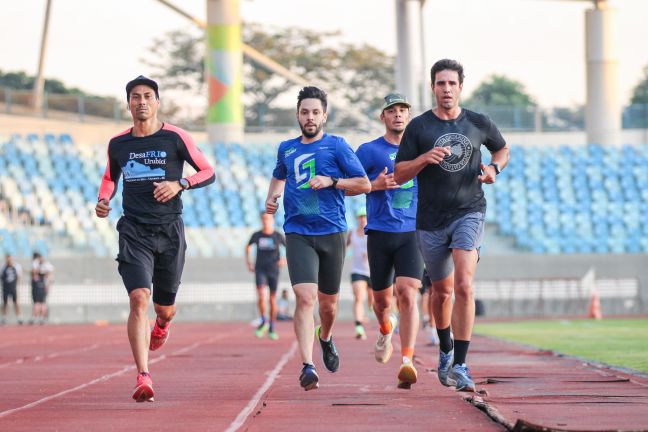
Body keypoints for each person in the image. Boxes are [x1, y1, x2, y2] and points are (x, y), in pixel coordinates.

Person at [95, 75, 215, 402]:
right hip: (134, 230)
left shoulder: (176, 137)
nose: (142, 102)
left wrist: (181, 185)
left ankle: (162, 324)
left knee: (165, 309)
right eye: (136, 96)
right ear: (129, 103)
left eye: (148, 96)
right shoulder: (118, 144)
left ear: (157, 101)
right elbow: (109, 177)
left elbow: (208, 171)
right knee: (138, 299)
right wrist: (104, 199)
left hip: (169, 231)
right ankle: (143, 374)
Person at [394, 59, 510, 392]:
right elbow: (399, 174)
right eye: (440, 83)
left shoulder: (478, 122)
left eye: (452, 83)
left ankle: (461, 363)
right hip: (430, 220)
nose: (446, 89)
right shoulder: (418, 127)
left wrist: (494, 169)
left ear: (461, 86)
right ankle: (445, 349)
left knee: (464, 286)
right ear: (433, 87)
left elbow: (502, 149)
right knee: (441, 292)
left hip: (469, 211)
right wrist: (423, 159)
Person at [265, 86, 370, 391]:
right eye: (304, 112)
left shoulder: (337, 146)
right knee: (305, 297)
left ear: (325, 115)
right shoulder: (286, 147)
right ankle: (308, 366)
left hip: (332, 231)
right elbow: (278, 175)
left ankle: (325, 336)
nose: (309, 117)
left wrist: (332, 181)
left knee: (329, 305)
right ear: (297, 115)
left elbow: (363, 183)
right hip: (298, 231)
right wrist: (272, 197)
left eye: (315, 112)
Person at [352, 93, 424, 390]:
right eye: (391, 110)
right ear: (382, 116)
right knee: (381, 303)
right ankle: (385, 329)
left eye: (403, 110)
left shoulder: (422, 150)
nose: (397, 115)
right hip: (380, 233)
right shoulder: (368, 151)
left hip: (412, 232)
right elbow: (343, 187)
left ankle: (407, 361)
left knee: (407, 293)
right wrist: (373, 185)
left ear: (409, 116)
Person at [245, 211, 286, 340]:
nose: (265, 221)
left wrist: (285, 260)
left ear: (272, 220)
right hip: (260, 269)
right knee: (261, 295)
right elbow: (248, 247)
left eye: (267, 219)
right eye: (263, 219)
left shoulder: (278, 235)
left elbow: (289, 248)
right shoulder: (257, 235)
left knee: (272, 299)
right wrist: (249, 262)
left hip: (273, 270)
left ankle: (272, 326)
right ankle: (263, 320)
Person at [346, 206, 373, 340]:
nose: (363, 220)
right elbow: (343, 247)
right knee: (359, 297)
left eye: (365, 217)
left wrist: (370, 253)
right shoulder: (352, 233)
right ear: (357, 219)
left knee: (372, 300)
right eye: (360, 217)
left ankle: (368, 310)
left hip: (372, 271)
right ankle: (359, 326)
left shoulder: (372, 232)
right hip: (357, 271)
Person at [30, 252, 53, 325]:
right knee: (42, 302)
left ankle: (36, 317)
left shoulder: (37, 264)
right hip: (42, 286)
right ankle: (42, 318)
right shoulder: (46, 265)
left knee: (38, 303)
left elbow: (34, 273)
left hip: (39, 286)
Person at [419, 269, 440, 346]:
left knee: (439, 292)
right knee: (430, 293)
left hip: (439, 262)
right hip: (425, 265)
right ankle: (433, 330)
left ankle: (444, 330)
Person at [1, 254, 23, 325]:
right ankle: (4, 317)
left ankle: (19, 317)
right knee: (5, 303)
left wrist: (16, 285)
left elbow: (19, 276)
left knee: (16, 302)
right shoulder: (3, 267)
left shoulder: (16, 266)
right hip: (5, 288)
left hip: (13, 287)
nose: (9, 260)